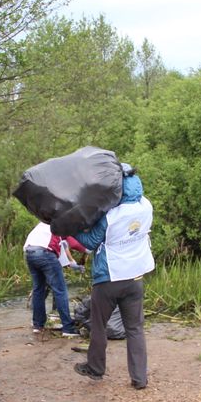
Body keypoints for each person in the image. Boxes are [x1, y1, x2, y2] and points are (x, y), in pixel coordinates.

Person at [72, 164, 155, 389]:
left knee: (98, 325)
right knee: (135, 329)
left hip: (109, 278)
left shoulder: (112, 215)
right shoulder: (146, 206)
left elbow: (89, 242)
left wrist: (70, 228)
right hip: (136, 277)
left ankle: (96, 369)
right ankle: (140, 379)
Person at [23, 222, 86, 337]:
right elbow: (75, 244)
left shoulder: (43, 225)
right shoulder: (60, 225)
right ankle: (68, 328)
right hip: (44, 253)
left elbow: (63, 255)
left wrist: (74, 265)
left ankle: (38, 325)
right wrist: (88, 249)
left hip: (29, 253)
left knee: (38, 290)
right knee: (60, 290)